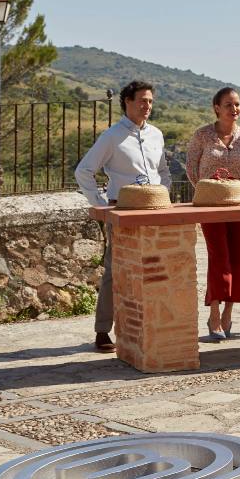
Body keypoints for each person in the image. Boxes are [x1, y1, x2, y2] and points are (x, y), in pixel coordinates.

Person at [75, 80, 172, 353]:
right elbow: (84, 171)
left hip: (154, 210)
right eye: (142, 100)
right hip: (123, 210)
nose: (147, 106)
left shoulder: (156, 135)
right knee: (115, 270)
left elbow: (164, 171)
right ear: (127, 102)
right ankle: (103, 330)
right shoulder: (112, 136)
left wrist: (161, 193)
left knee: (154, 267)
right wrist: (102, 205)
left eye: (150, 101)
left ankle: (151, 324)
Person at [186, 87, 240, 340]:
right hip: (210, 203)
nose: (234, 109)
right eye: (228, 104)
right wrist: (205, 192)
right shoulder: (202, 135)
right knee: (219, 256)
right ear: (217, 108)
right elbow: (191, 168)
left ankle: (229, 311)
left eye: (237, 104)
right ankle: (214, 313)